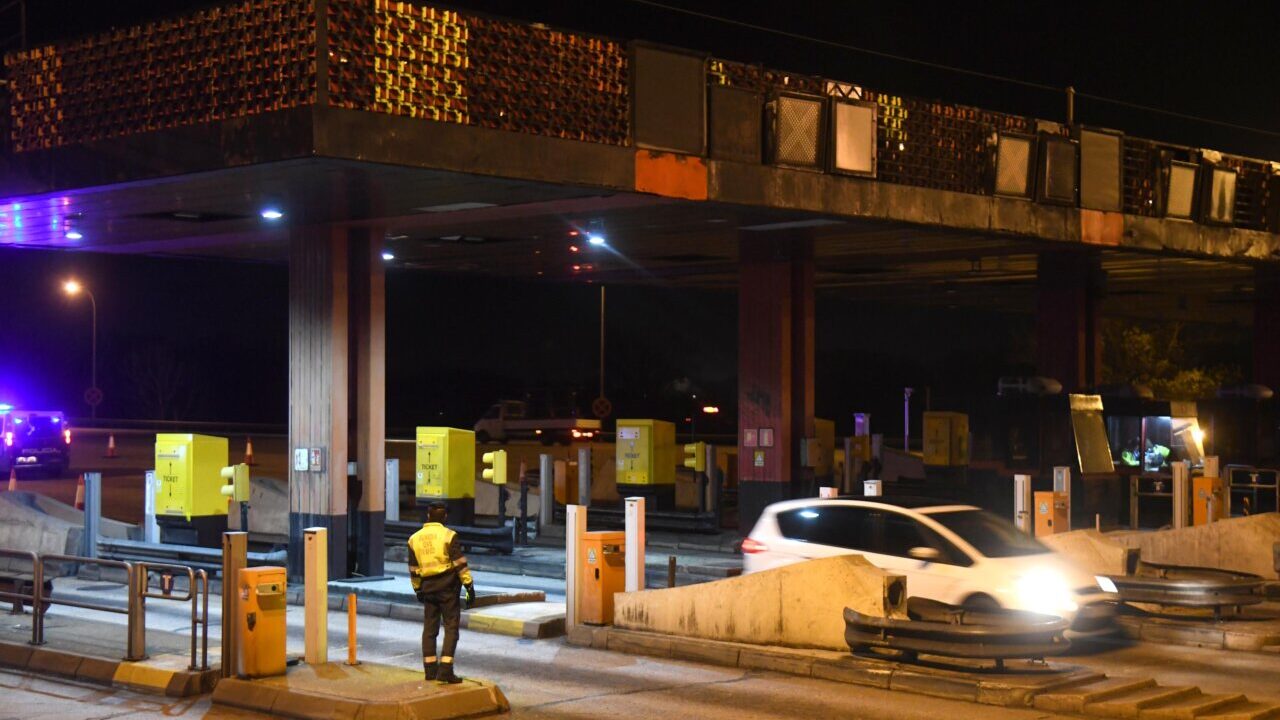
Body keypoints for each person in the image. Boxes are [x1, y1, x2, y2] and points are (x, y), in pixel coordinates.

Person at [408, 501, 475, 683]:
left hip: (428, 588)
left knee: (430, 629)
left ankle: (430, 670)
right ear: (445, 517)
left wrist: (418, 589)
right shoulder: (449, 536)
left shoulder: (414, 539)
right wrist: (469, 587)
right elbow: (460, 564)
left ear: (428, 516)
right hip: (448, 588)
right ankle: (445, 671)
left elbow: (414, 569)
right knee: (451, 628)